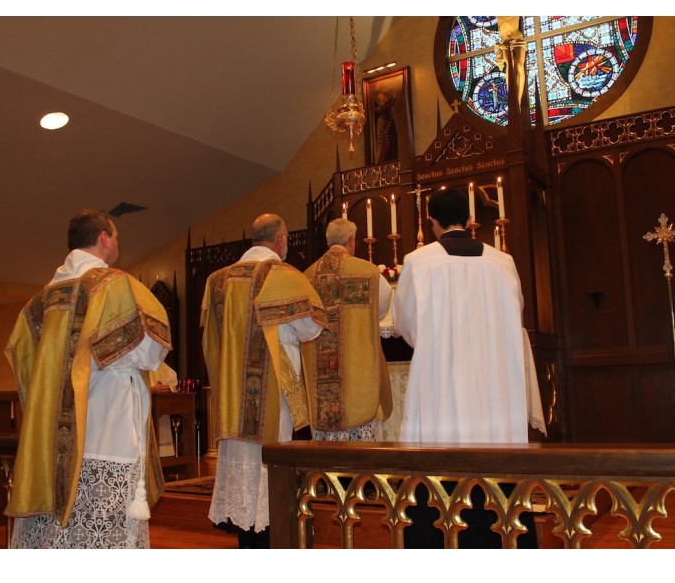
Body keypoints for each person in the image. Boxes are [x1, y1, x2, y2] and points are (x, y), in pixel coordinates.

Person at [4, 209, 171, 548]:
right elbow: (153, 349)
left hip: (52, 436)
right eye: (117, 236)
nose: (117, 243)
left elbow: (24, 359)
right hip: (108, 426)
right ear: (103, 238)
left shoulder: (40, 300)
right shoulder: (115, 285)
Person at [392, 187, 545, 548]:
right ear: (469, 219)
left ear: (432, 222)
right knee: (497, 466)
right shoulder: (502, 261)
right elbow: (515, 315)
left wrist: (436, 343)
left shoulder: (419, 261)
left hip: (439, 381)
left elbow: (406, 322)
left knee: (437, 461)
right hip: (493, 382)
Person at [202, 213, 326, 548]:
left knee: (246, 486)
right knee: (275, 481)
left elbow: (210, 340)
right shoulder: (283, 275)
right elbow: (310, 328)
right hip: (275, 399)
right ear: (282, 239)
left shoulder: (217, 280)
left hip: (233, 400)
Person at [302, 218, 393, 441]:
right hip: (358, 371)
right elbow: (380, 311)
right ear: (352, 240)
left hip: (321, 375)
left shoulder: (306, 277)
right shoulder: (370, 273)